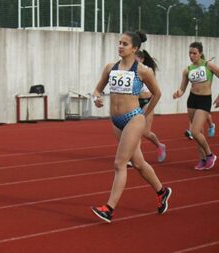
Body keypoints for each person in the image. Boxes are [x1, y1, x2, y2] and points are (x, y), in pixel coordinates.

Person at [90, 31, 172, 223]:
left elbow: (157, 94)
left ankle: (109, 209)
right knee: (138, 163)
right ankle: (162, 191)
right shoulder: (110, 68)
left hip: (134, 119)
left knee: (120, 164)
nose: (120, 46)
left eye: (125, 44)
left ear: (134, 48)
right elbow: (97, 89)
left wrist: (145, 113)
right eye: (119, 43)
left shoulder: (143, 70)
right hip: (116, 121)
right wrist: (97, 98)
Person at [173, 42, 219, 170]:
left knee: (194, 131)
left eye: (194, 53)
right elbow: (182, 88)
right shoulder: (187, 69)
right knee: (199, 132)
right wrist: (178, 93)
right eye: (190, 53)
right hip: (192, 100)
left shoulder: (208, 65)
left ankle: (210, 155)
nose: (191, 56)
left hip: (205, 100)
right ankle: (202, 159)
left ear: (200, 53)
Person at [135, 50, 166, 162]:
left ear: (142, 59)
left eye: (136, 58)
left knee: (145, 133)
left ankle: (159, 145)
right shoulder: (130, 70)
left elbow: (156, 90)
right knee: (136, 131)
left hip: (147, 101)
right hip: (135, 102)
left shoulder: (148, 71)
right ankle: (133, 157)